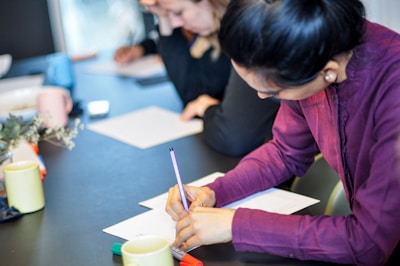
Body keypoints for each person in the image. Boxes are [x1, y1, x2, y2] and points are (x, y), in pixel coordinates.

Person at [165, 0, 400, 265]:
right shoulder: (306, 50)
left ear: (328, 72)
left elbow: (367, 242)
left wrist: (237, 225)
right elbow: (285, 152)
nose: (261, 96)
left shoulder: (393, 90)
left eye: (274, 91)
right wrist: (215, 191)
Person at [114, 0, 280, 157]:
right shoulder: (214, 35)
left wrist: (209, 110)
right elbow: (192, 94)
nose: (176, 23)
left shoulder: (254, 28)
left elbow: (232, 136)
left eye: (178, 12)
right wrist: (163, 16)